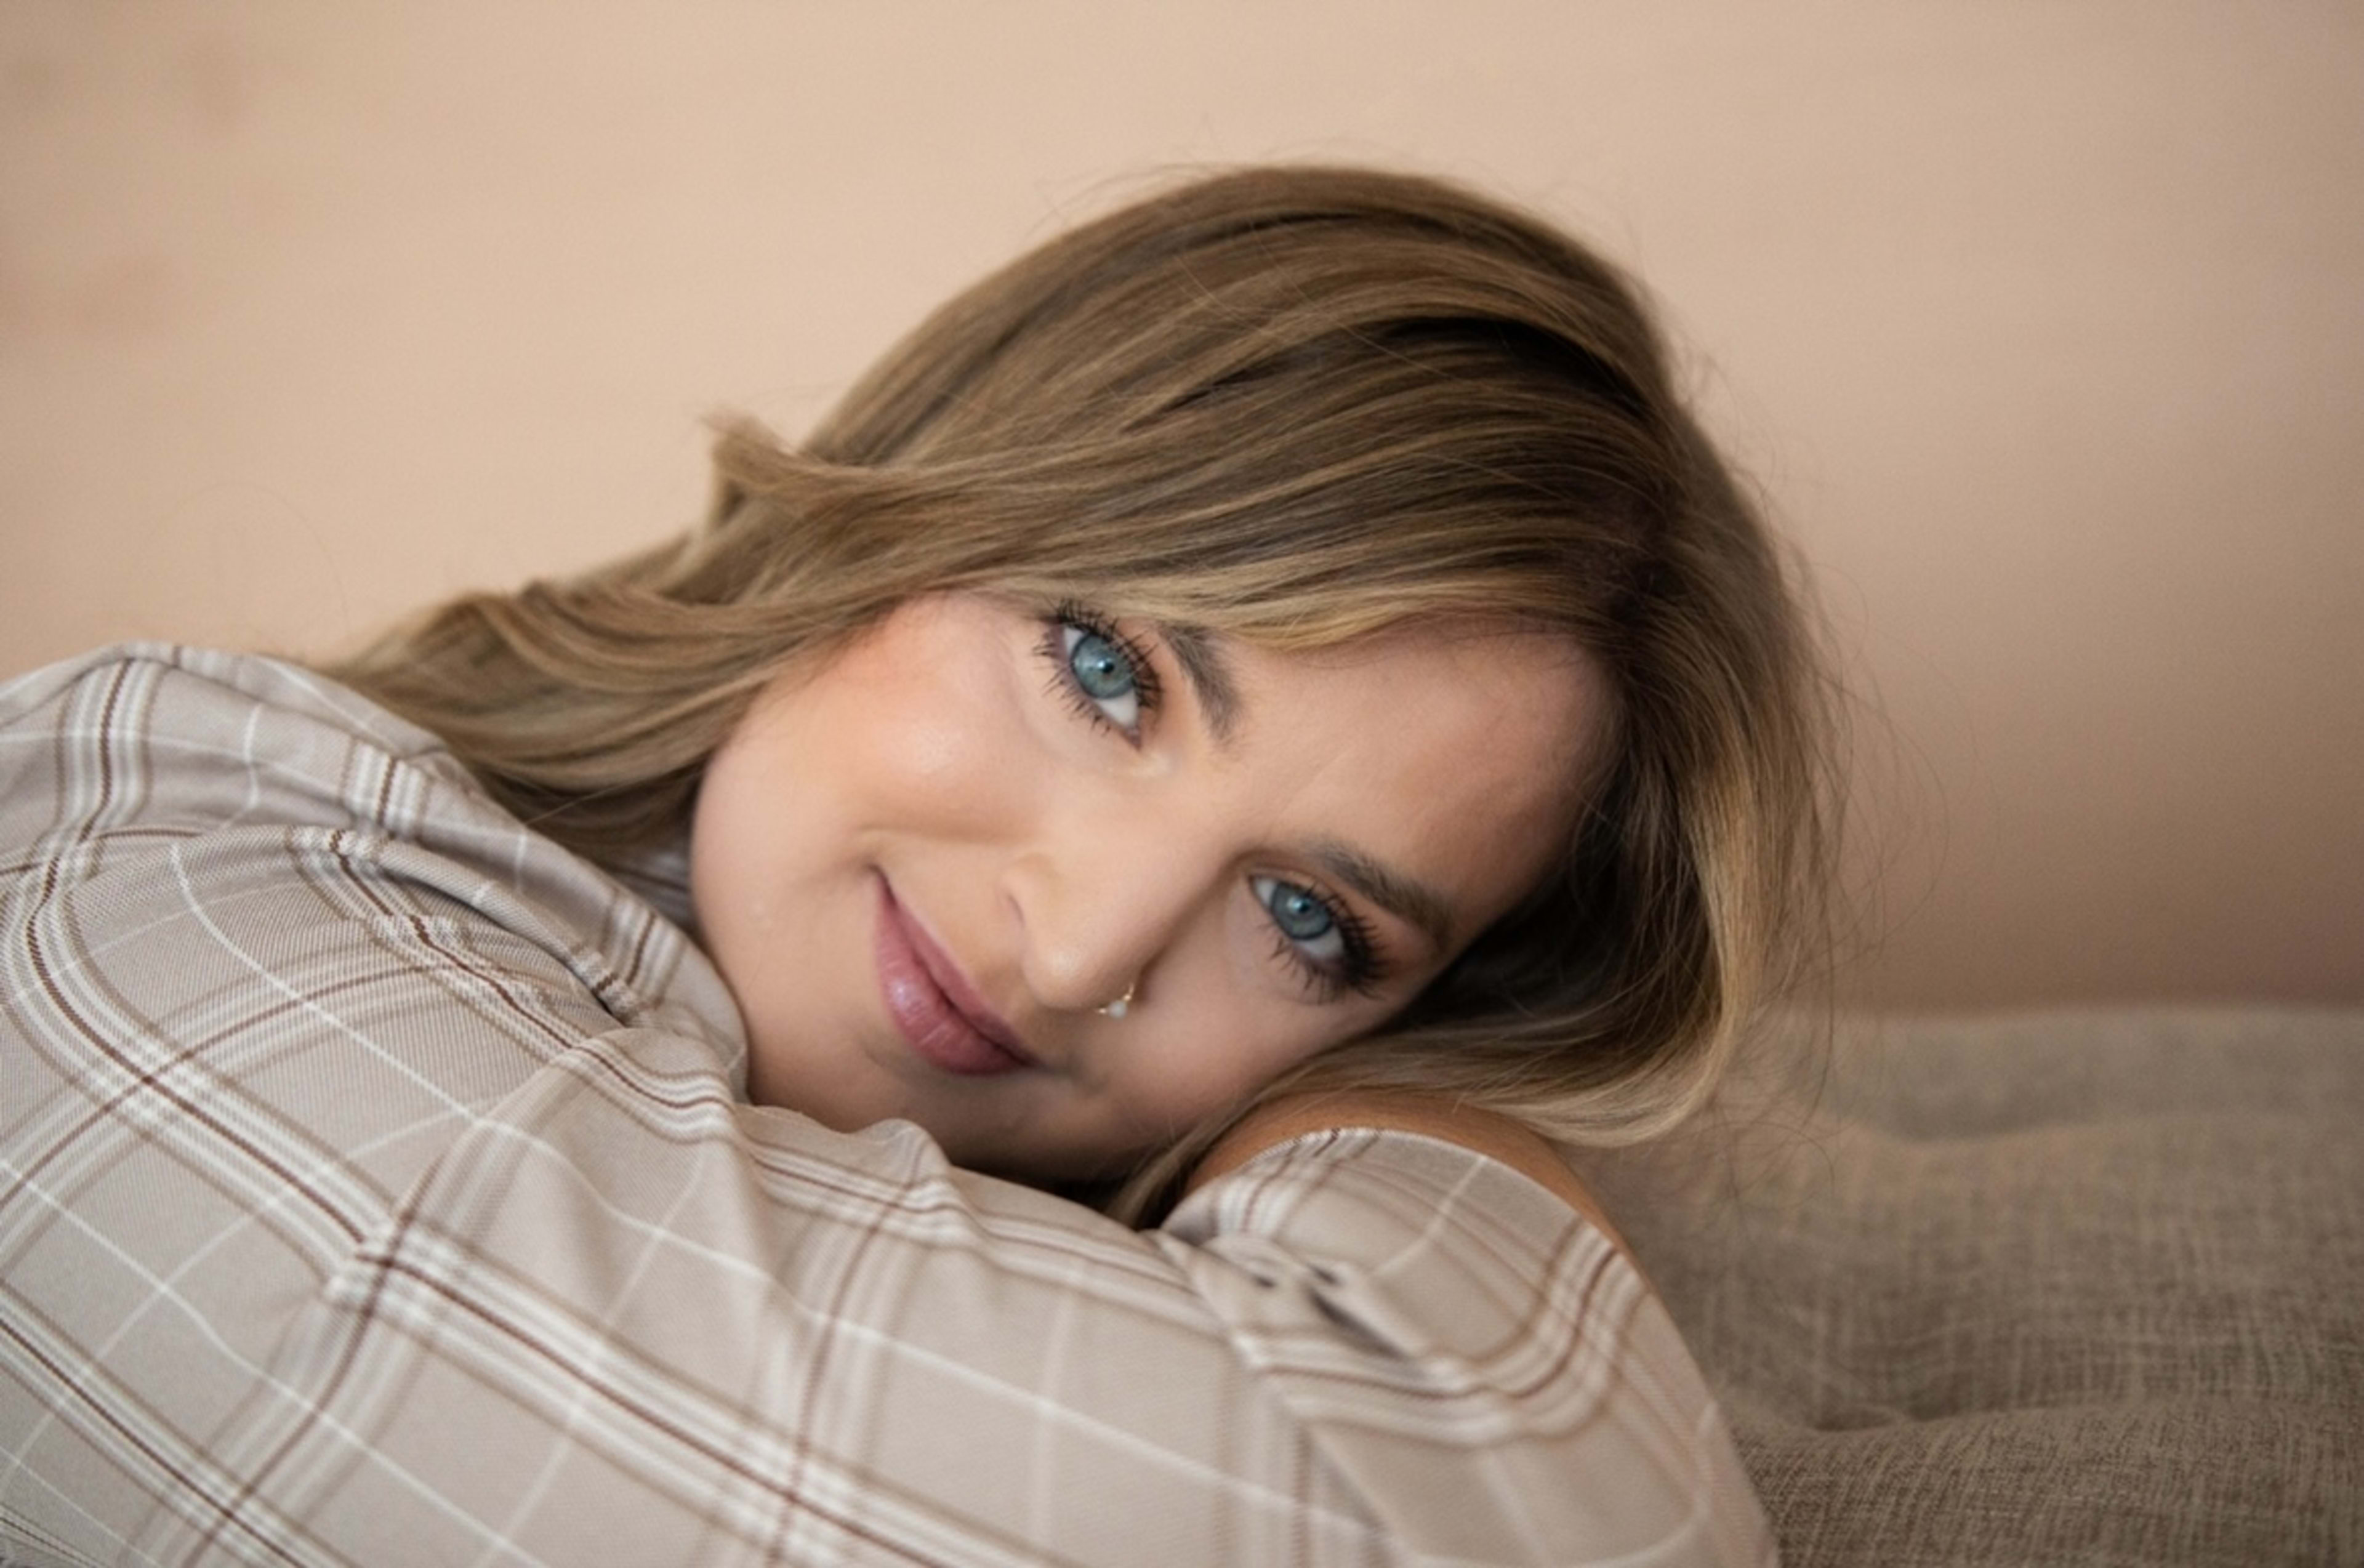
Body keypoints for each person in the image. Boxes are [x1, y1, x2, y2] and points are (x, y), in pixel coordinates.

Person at [0, 166, 1827, 1564]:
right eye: (1110, 671)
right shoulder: (165, 881)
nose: (1080, 948)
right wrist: (1468, 1132)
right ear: (916, 497)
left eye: (1310, 921)